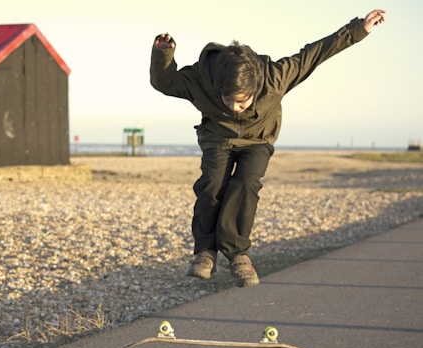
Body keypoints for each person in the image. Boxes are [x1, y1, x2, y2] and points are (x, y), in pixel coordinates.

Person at [150, 9, 386, 286]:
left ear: (255, 87)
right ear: (219, 87)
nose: (235, 108)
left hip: (258, 140)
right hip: (218, 138)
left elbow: (316, 53)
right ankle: (205, 252)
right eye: (229, 101)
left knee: (247, 182)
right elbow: (164, 82)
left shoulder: (276, 77)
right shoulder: (202, 78)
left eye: (242, 102)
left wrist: (360, 28)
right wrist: (163, 55)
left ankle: (238, 254)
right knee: (212, 184)